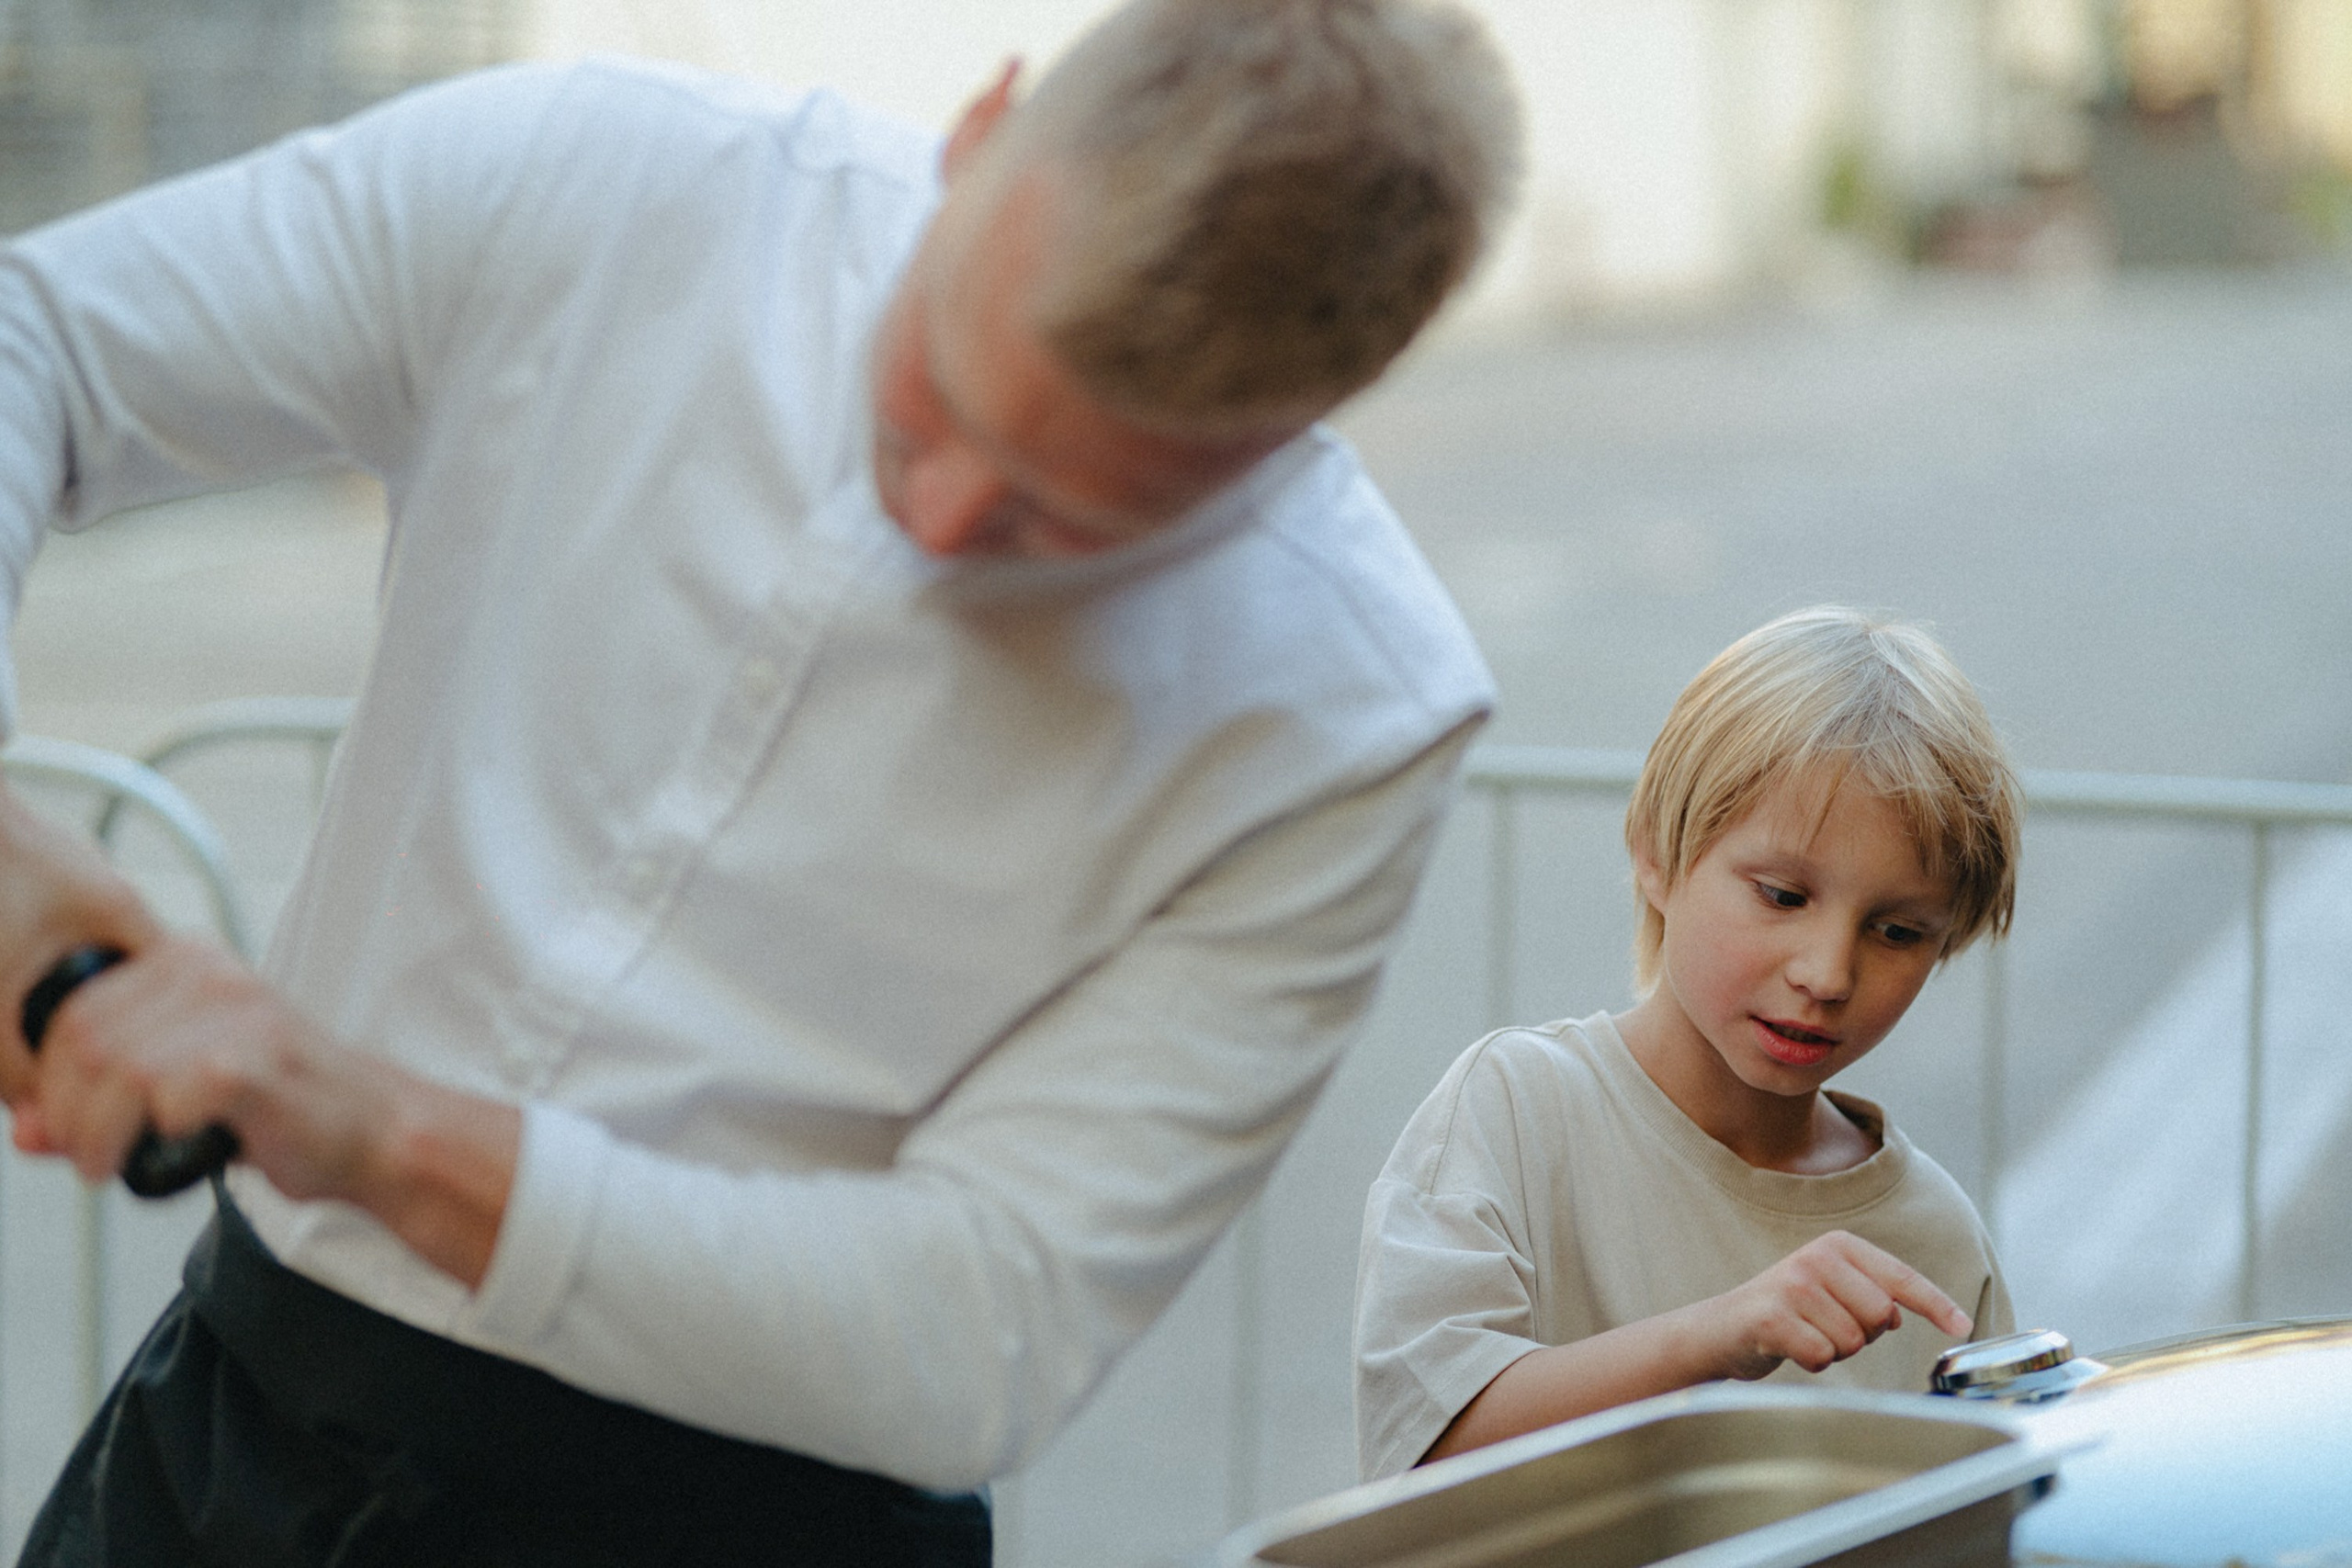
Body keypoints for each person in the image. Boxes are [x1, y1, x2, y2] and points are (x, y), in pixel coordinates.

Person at [0, 1, 1523, 1561]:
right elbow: (33, 335)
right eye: (932, 384)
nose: (935, 516)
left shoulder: (1348, 715)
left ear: (1296, 428)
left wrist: (378, 1133)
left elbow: (979, 1326)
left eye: (1062, 518)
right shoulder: (615, 180)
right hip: (237, 1422)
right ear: (982, 124)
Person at [1352, 606, 2021, 1481]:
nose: (1828, 974)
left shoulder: (1934, 1237)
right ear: (1656, 854)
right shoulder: (1516, 1109)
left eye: (1897, 931)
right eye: (1783, 895)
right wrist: (1718, 1336)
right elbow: (1424, 1450)